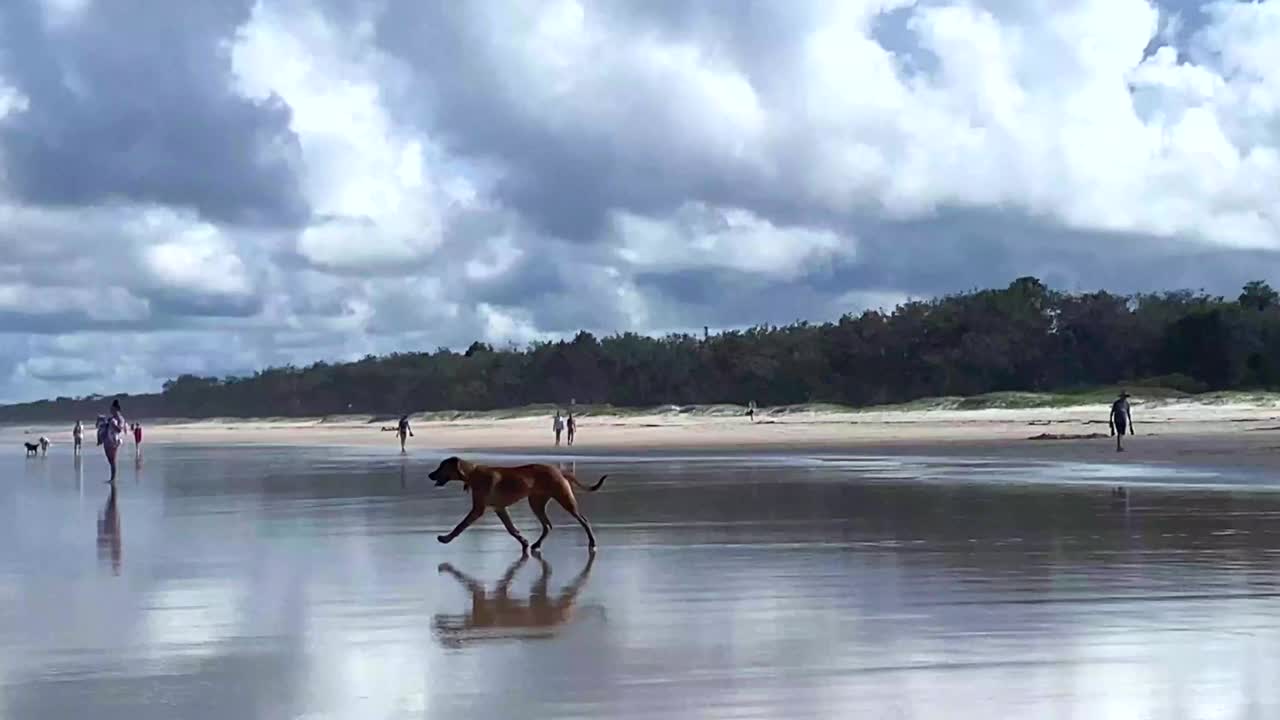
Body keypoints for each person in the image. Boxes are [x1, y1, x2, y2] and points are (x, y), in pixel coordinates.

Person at [98, 399, 126, 482]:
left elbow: (119, 430)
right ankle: (112, 477)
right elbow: (106, 426)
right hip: (107, 441)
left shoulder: (120, 419)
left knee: (113, 460)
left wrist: (113, 425)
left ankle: (113, 478)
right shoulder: (111, 418)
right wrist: (102, 421)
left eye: (112, 409)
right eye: (111, 409)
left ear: (116, 409)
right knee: (110, 460)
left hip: (114, 441)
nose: (111, 410)